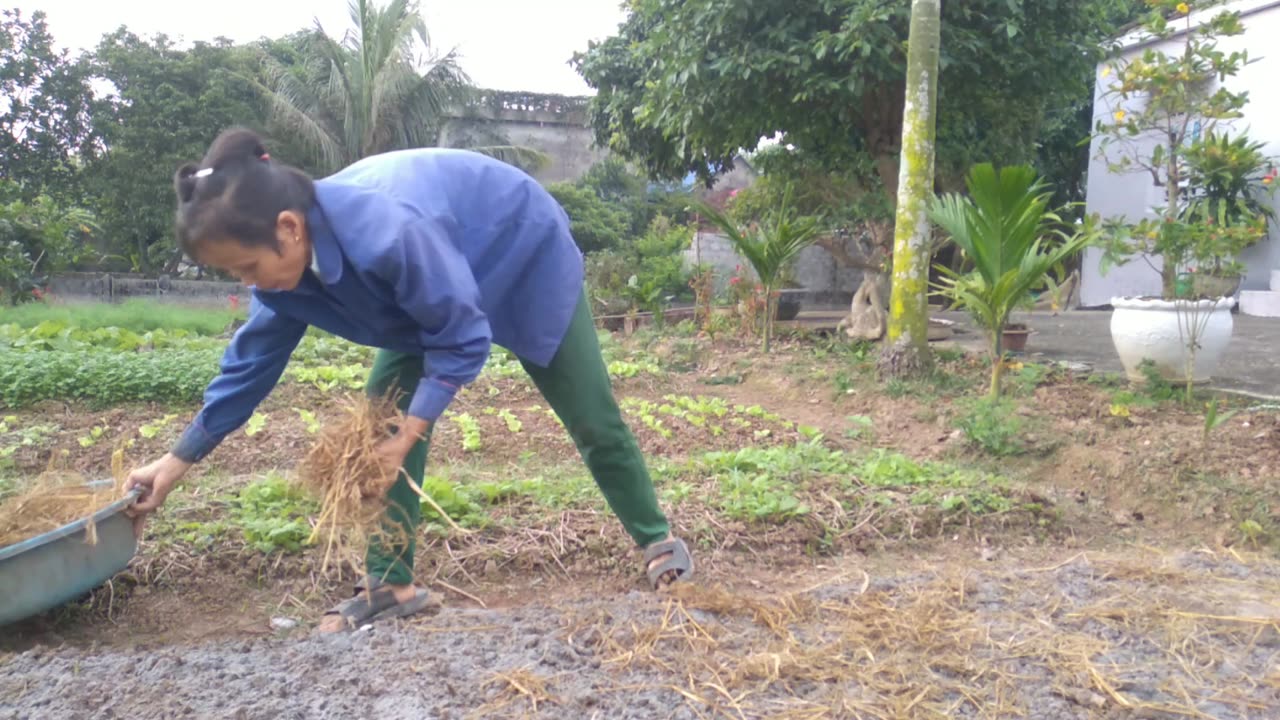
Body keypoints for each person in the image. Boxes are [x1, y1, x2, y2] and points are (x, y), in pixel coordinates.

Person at [124, 127, 694, 632]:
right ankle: (390, 585)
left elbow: (462, 335)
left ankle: (657, 538)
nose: (250, 283)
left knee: (589, 413)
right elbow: (247, 370)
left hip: (520, 249)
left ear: (289, 228)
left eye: (247, 268)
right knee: (382, 425)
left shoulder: (388, 232)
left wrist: (409, 438)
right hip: (431, 286)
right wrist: (173, 465)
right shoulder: (283, 279)